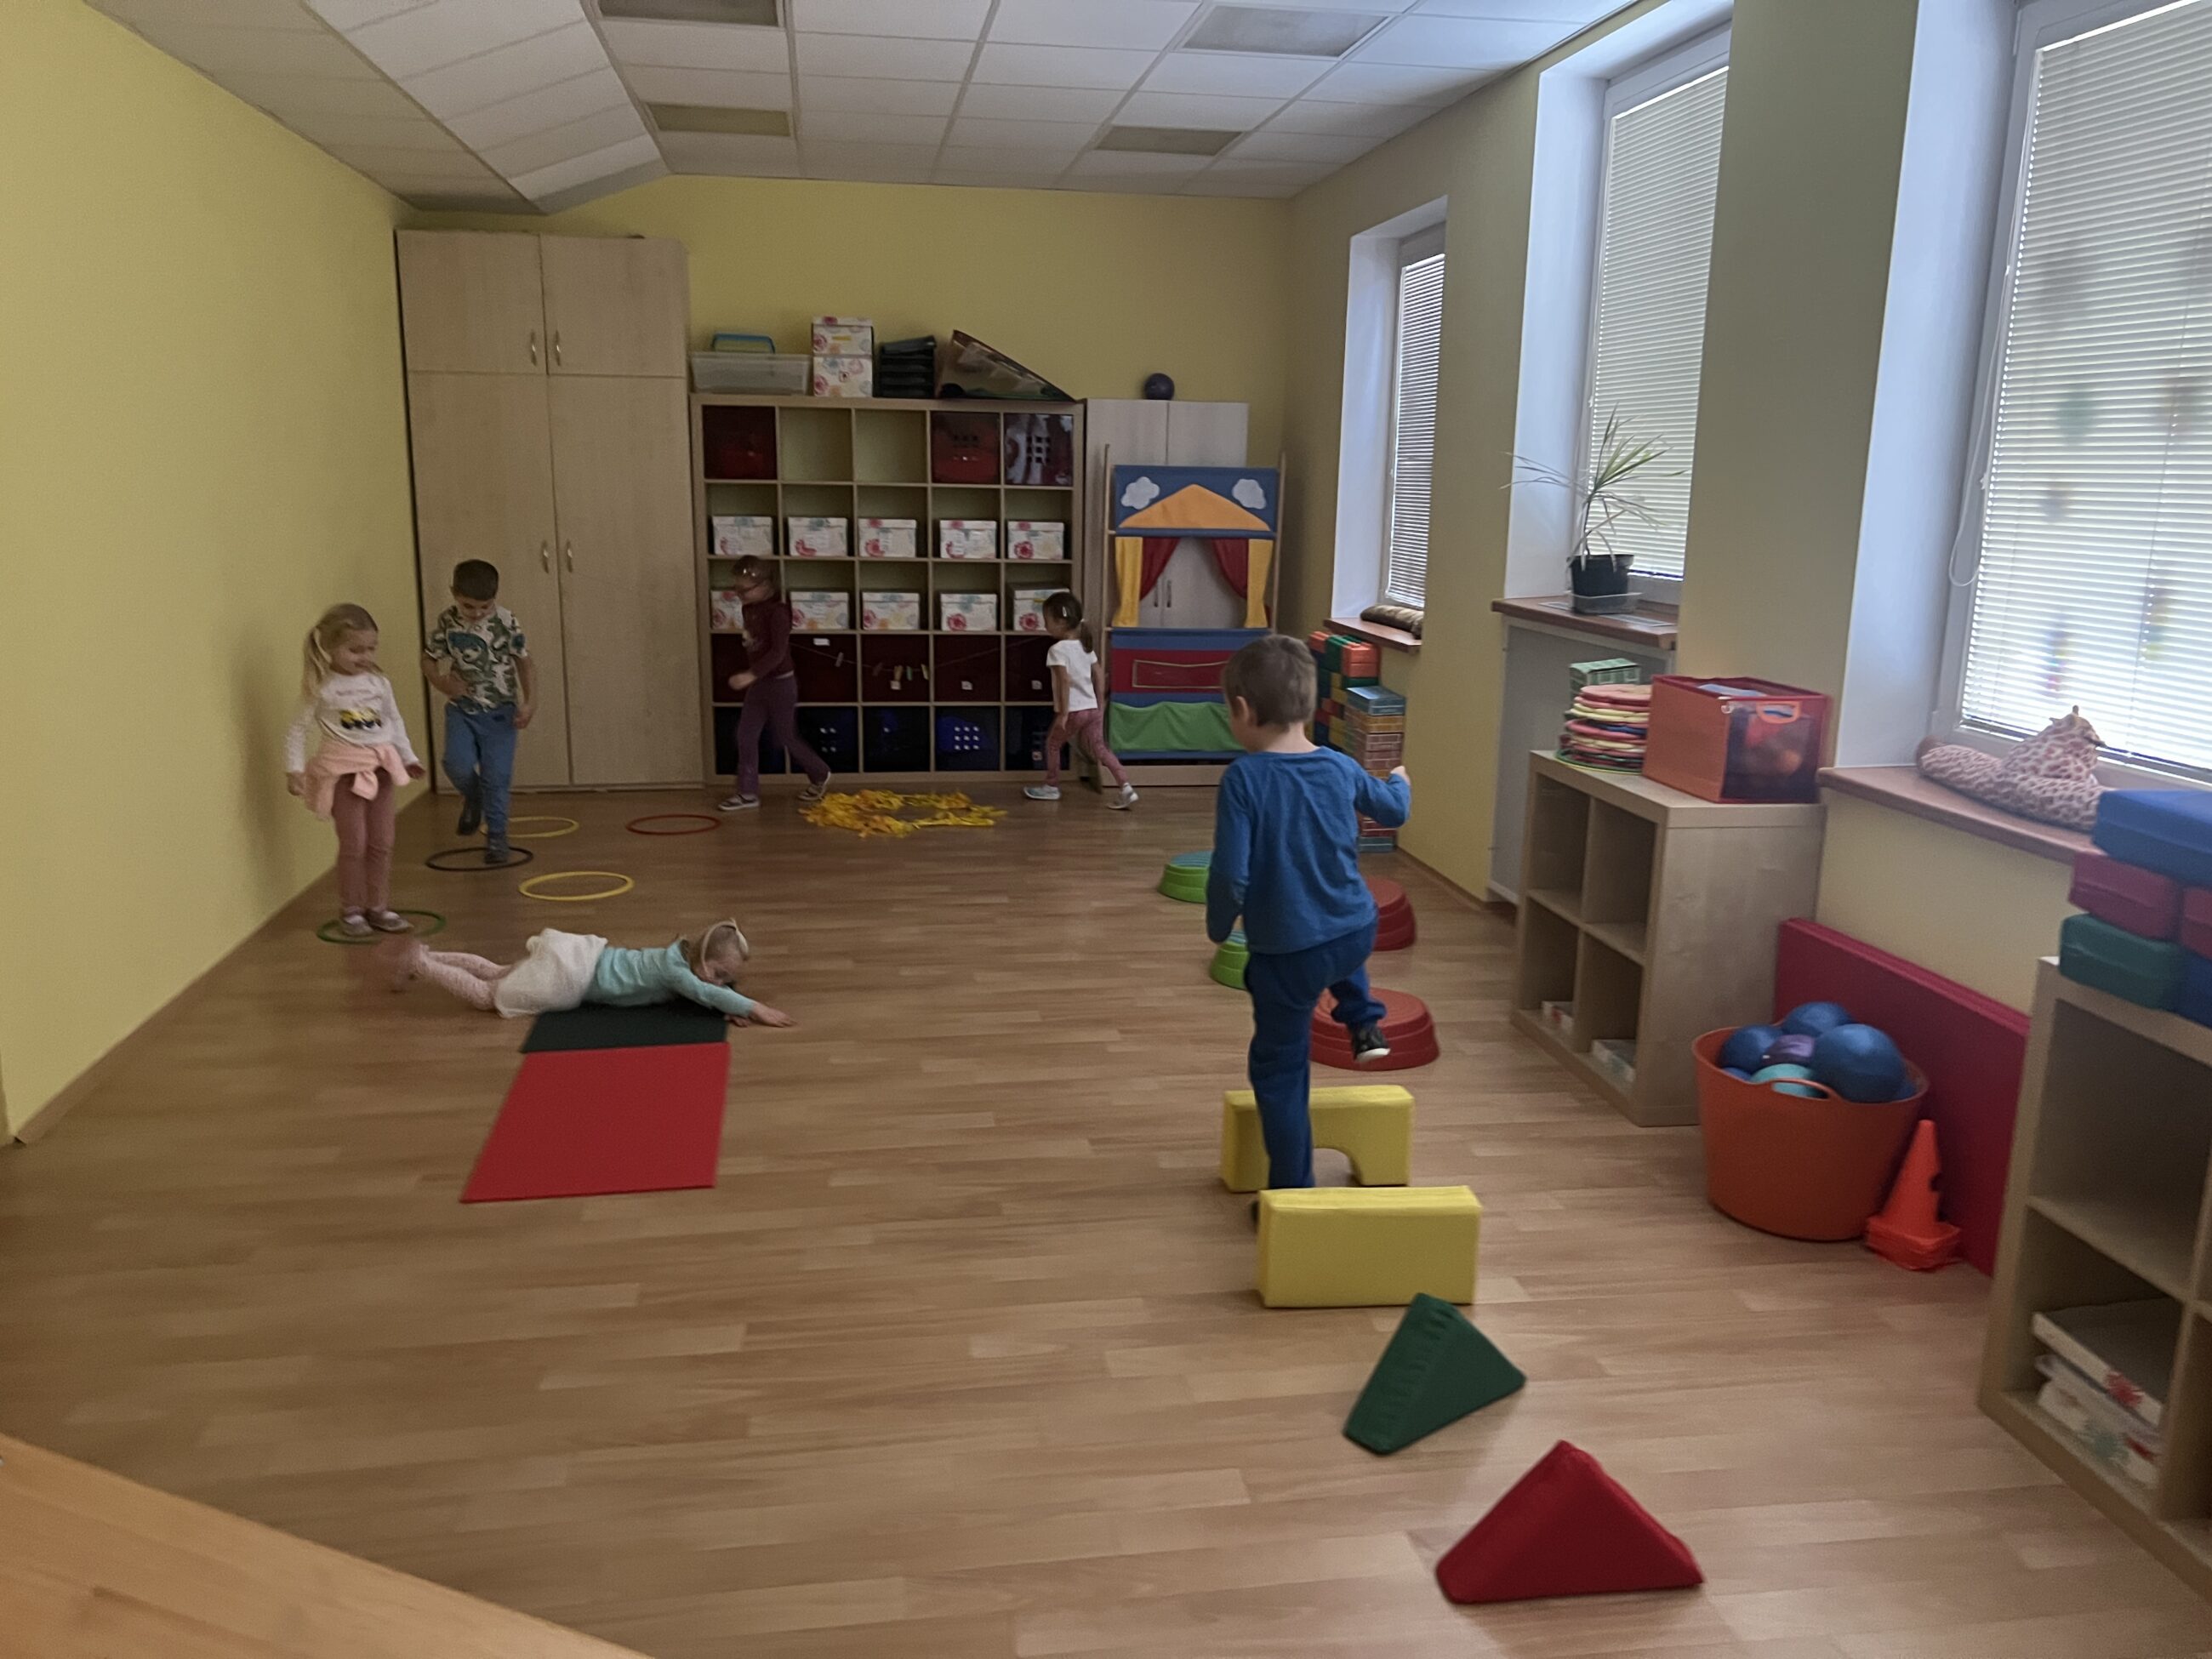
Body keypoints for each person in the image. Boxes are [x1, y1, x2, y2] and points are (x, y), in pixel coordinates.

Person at [1206, 634, 1411, 1193]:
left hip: (1286, 954)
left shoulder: (1244, 779)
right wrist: (1400, 782)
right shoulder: (1340, 766)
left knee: (1280, 1070)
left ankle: (1293, 1190)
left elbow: (1230, 874)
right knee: (1338, 941)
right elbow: (1393, 810)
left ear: (1243, 709)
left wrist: (1219, 926)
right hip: (1354, 931)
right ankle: (1363, 1021)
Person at [285, 603, 425, 938]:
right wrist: (294, 769)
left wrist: (408, 757)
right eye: (355, 650)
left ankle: (378, 907)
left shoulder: (379, 682)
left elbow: (393, 721)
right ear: (330, 647)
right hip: (344, 773)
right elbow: (297, 730)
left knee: (383, 842)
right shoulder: (322, 687)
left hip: (381, 769)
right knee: (355, 843)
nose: (365, 656)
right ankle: (351, 910)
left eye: (371, 648)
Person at [380, 919, 795, 1027]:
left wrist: (724, 1006)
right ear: (702, 962)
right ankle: (420, 964)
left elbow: (705, 993)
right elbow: (705, 992)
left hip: (578, 953)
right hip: (571, 975)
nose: (722, 983)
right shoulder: (678, 973)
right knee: (490, 996)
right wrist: (754, 1007)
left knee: (499, 971)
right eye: (719, 974)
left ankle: (430, 955)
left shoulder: (676, 958)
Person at [421, 558, 535, 864]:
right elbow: (428, 658)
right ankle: (474, 795)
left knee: (497, 778)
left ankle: (497, 837)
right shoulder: (448, 621)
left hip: (500, 714)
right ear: (454, 594)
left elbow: (524, 662)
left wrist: (530, 702)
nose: (477, 613)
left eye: (485, 606)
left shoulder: (506, 621)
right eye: (469, 606)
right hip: (462, 710)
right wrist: (441, 682)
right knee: (455, 763)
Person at [717, 556, 833, 812]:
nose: (739, 595)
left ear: (766, 586)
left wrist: (751, 674)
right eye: (736, 590)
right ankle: (747, 792)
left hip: (781, 685)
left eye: (745, 590)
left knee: (785, 736)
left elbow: (778, 652)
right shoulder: (749, 609)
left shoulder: (778, 612)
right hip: (760, 685)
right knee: (745, 735)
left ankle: (819, 773)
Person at [1022, 591, 1137, 809]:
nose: (1045, 626)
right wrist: (1100, 704)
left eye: (1047, 620)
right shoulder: (1085, 647)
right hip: (1092, 708)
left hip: (1074, 710)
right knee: (1100, 748)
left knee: (1053, 743)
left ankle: (1051, 786)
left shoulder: (1056, 650)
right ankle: (1126, 786)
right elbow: (1099, 674)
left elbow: (1064, 681)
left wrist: (1063, 714)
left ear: (1060, 622)